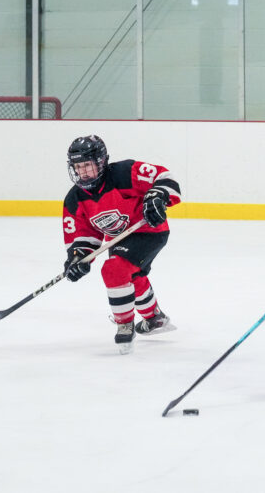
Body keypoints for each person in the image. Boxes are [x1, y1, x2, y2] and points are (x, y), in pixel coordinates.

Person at [61, 135, 181, 354]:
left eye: (88, 165)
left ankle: (124, 325)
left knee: (114, 270)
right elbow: (84, 236)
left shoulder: (124, 173)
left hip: (149, 230)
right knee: (130, 275)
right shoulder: (75, 199)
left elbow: (164, 176)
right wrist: (78, 258)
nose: (84, 172)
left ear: (101, 161)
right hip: (120, 238)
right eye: (79, 167)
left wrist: (157, 196)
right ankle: (154, 318)